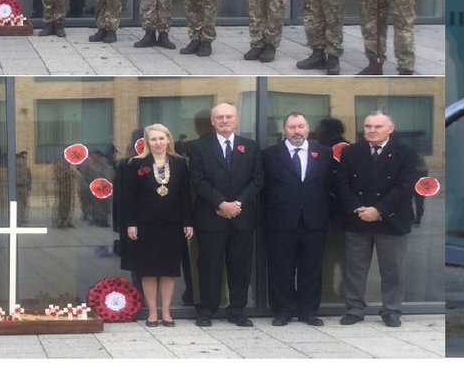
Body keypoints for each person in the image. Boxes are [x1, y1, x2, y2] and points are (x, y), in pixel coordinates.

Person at [336, 111, 419, 328]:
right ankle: (354, 309)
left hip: (391, 220)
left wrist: (379, 209)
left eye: (377, 127)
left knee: (392, 270)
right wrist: (357, 208)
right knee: (354, 268)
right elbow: (341, 184)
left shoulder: (406, 153)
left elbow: (405, 186)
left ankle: (391, 310)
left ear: (390, 129)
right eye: (368, 126)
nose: (371, 131)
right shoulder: (352, 152)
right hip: (358, 219)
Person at [188, 103, 264, 327]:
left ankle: (237, 310)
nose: (224, 121)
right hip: (211, 217)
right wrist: (221, 203)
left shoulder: (250, 147)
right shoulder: (199, 147)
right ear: (212, 121)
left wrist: (237, 203)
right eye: (219, 117)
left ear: (236, 120)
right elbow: (197, 180)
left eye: (229, 117)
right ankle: (207, 310)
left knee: (240, 266)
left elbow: (257, 179)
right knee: (209, 266)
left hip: (242, 217)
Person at [261, 113, 334, 326]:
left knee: (311, 268)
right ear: (284, 130)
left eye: (300, 126)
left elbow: (330, 186)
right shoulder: (269, 155)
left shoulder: (324, 153)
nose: (296, 131)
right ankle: (283, 310)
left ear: (308, 128)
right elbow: (263, 189)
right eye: (292, 127)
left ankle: (308, 311)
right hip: (280, 221)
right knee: (280, 268)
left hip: (314, 221)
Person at [121, 124, 194, 327]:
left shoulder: (180, 164)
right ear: (147, 142)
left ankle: (167, 312)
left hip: (173, 223)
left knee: (168, 270)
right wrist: (131, 224)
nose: (158, 143)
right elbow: (130, 197)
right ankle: (152, 312)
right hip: (146, 224)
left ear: (168, 140)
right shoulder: (136, 164)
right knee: (149, 270)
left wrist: (188, 221)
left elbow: (185, 196)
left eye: (161, 138)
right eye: (153, 139)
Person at [53, 158, 77, 228]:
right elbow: (58, 175)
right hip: (62, 188)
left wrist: (73, 173)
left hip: (69, 188)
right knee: (63, 204)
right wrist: (68, 173)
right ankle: (61, 220)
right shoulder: (60, 164)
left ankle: (68, 220)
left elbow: (74, 176)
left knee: (69, 204)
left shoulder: (70, 165)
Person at [15, 151, 32, 223]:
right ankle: (17, 219)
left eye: (23, 160)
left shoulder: (27, 169)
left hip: (24, 188)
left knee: (24, 204)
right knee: (18, 204)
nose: (22, 161)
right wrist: (22, 179)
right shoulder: (14, 169)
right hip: (17, 188)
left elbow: (30, 179)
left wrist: (29, 189)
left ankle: (22, 218)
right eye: (20, 160)